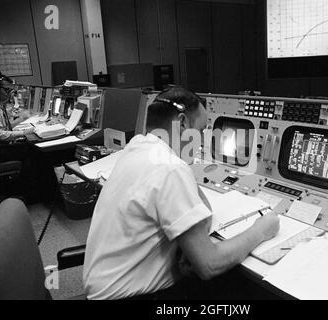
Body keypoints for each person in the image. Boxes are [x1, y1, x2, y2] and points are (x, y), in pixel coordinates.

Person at [83, 86, 280, 300]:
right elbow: (209, 265)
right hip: (134, 298)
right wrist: (260, 231)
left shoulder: (138, 147)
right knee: (236, 290)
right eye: (202, 130)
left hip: (107, 291)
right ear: (183, 123)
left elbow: (203, 210)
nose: (202, 141)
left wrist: (190, 247)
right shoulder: (169, 168)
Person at [0, 72, 34, 144]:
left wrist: (21, 119)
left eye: (11, 91)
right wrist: (23, 133)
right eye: (7, 90)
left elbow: (3, 128)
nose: (10, 94)